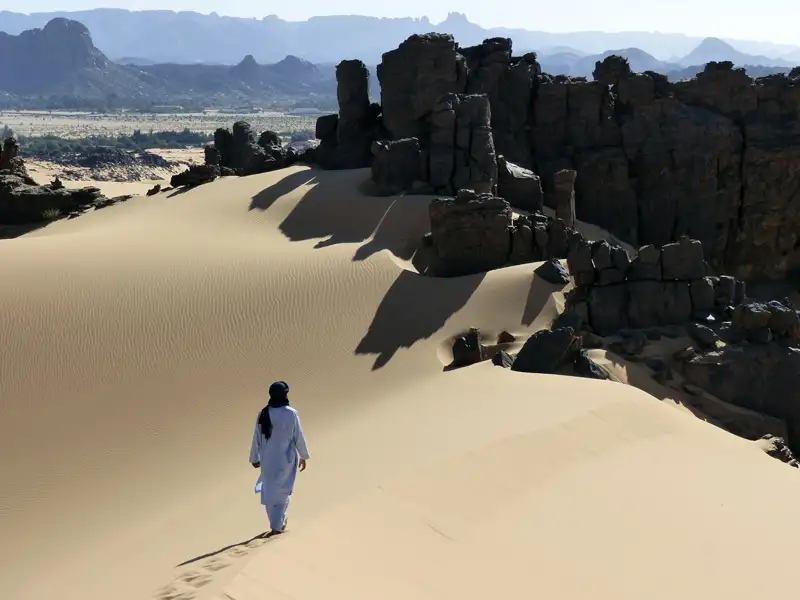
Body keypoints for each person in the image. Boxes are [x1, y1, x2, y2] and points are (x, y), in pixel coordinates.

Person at [249, 381, 310, 536]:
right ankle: (277, 525)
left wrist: (254, 457)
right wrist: (303, 455)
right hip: (285, 459)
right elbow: (298, 436)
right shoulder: (290, 413)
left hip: (268, 459)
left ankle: (276, 523)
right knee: (282, 492)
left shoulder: (263, 413)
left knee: (270, 492)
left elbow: (256, 437)